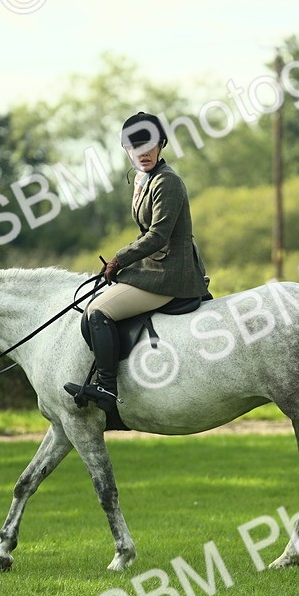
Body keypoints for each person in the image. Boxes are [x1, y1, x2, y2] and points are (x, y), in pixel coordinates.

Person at [64, 112, 209, 411]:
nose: (143, 152)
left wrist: (120, 258)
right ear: (127, 150)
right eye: (135, 147)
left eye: (149, 145)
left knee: (97, 312)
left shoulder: (167, 181)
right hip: (155, 266)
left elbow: (157, 235)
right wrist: (126, 265)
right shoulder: (144, 180)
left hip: (171, 272)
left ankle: (106, 388)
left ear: (161, 145)